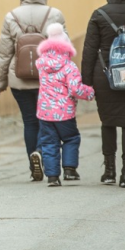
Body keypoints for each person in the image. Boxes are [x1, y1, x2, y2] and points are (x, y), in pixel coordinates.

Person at [0, 0, 66, 181]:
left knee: (29, 121)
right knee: (47, 121)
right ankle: (41, 153)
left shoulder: (11, 16)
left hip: (19, 79)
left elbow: (4, 53)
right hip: (48, 79)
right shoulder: (55, 15)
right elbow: (64, 49)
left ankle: (33, 164)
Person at [81, 0, 125, 188]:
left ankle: (109, 171)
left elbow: (89, 50)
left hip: (104, 76)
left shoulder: (99, 14)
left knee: (108, 121)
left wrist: (86, 83)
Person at [36, 23, 95, 187]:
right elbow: (76, 89)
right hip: (64, 113)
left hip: (45, 113)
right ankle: (69, 169)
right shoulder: (69, 66)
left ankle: (53, 177)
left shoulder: (41, 65)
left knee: (48, 143)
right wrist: (90, 92)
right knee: (71, 138)